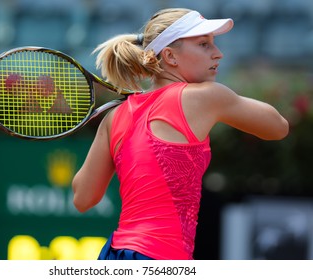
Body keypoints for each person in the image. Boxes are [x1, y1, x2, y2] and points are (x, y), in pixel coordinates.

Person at [71, 8, 289, 260]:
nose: (218, 54)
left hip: (114, 256)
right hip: (160, 258)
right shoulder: (205, 96)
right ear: (170, 56)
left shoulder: (114, 117)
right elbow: (278, 127)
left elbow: (82, 198)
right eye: (203, 44)